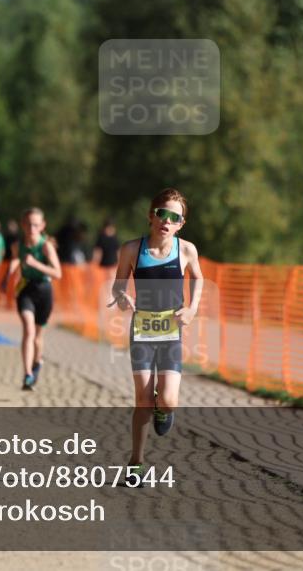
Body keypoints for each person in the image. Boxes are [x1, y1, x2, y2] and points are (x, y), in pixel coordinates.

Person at [108, 188, 203, 483]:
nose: (167, 220)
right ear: (151, 215)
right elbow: (118, 285)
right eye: (162, 213)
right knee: (143, 399)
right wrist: (122, 297)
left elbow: (198, 278)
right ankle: (136, 462)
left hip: (171, 331)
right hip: (143, 332)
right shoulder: (130, 250)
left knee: (169, 400)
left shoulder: (186, 250)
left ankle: (165, 410)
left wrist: (191, 309)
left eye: (175, 217)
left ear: (180, 224)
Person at [0, 208, 62, 391]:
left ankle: (37, 362)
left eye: (35, 224)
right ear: (22, 225)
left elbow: (58, 273)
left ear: (42, 226)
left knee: (37, 338)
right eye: (28, 224)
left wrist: (36, 264)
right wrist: (7, 276)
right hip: (26, 289)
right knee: (28, 330)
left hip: (44, 291)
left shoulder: (45, 247)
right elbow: (15, 260)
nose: (31, 228)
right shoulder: (17, 245)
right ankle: (27, 374)